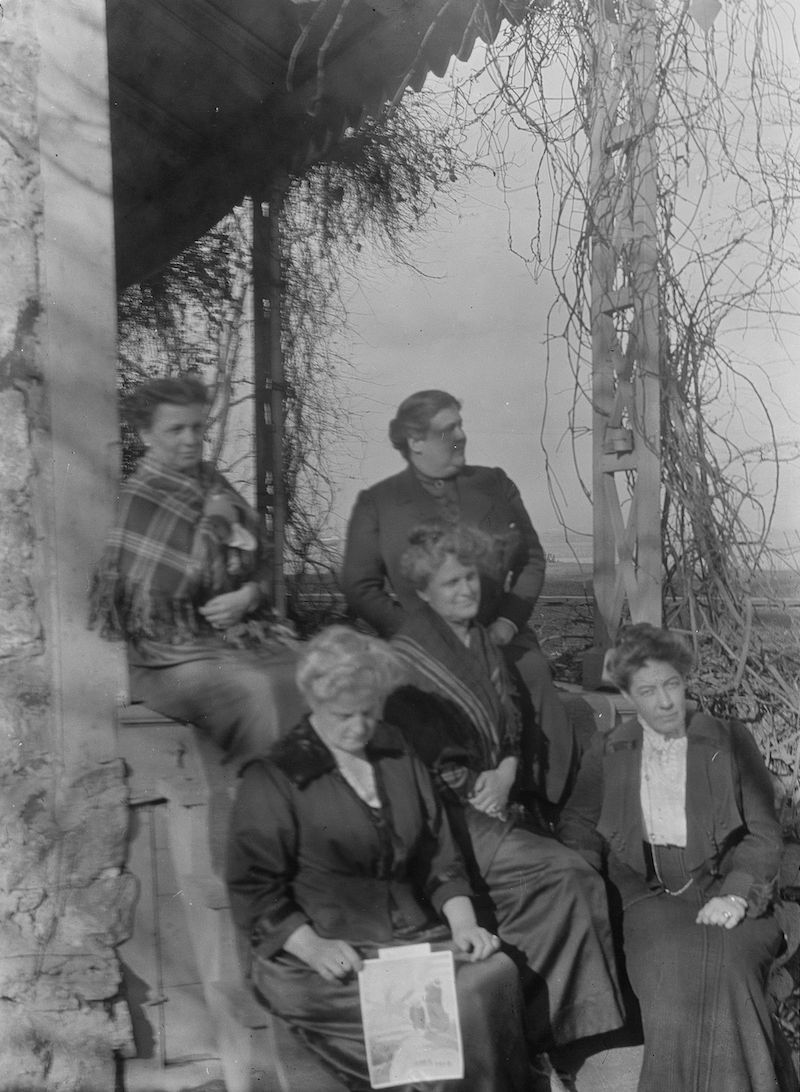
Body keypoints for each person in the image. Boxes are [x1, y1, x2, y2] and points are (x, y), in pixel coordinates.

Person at [226, 626, 533, 1092]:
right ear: (314, 703)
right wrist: (312, 946)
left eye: (369, 713)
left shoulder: (395, 751)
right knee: (449, 1016)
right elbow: (253, 888)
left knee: (494, 973)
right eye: (342, 716)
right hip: (328, 955)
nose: (358, 728)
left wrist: (464, 925)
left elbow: (437, 854)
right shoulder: (277, 775)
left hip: (408, 939)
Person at [383, 523, 625, 1051]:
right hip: (446, 816)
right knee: (568, 877)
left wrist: (510, 768)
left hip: (495, 797)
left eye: (470, 578)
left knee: (568, 885)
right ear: (423, 593)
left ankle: (541, 1039)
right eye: (451, 584)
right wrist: (478, 786)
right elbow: (418, 761)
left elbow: (513, 722)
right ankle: (534, 1043)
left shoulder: (481, 639)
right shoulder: (407, 658)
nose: (466, 591)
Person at [558, 623, 793, 1092]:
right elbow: (578, 825)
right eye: (647, 690)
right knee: (670, 968)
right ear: (627, 694)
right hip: (647, 899)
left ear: (685, 679)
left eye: (672, 684)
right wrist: (583, 871)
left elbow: (764, 834)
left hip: (729, 890)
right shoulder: (609, 750)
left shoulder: (729, 741)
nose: (665, 702)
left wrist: (737, 895)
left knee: (729, 966)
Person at [341, 388, 575, 806]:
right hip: (421, 645)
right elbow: (360, 585)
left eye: (461, 425)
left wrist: (506, 623)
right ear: (415, 441)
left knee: (533, 674)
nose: (462, 436)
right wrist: (419, 635)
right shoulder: (378, 503)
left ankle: (545, 805)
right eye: (449, 429)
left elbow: (532, 559)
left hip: (498, 635)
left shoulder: (494, 484)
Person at [90, 376, 304, 762]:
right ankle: (264, 802)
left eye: (197, 427)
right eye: (176, 429)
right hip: (166, 659)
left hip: (234, 638)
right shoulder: (140, 498)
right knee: (256, 691)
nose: (191, 439)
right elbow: (145, 613)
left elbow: (264, 557)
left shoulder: (213, 484)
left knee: (316, 672)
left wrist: (249, 594)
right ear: (146, 435)